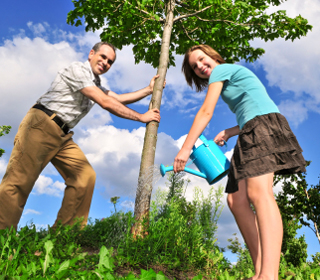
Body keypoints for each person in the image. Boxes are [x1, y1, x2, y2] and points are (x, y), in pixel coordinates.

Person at [173, 44, 306, 280]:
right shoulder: (227, 77)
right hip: (250, 129)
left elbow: (206, 111)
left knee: (259, 194)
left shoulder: (221, 70)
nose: (201, 67)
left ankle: (269, 275)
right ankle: (259, 272)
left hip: (261, 128)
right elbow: (253, 106)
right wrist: (230, 131)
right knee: (236, 200)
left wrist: (185, 149)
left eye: (202, 60)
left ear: (213, 57)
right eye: (195, 67)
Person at [0, 41, 164, 231]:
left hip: (63, 135)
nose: (105, 63)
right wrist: (141, 117)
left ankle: (63, 239)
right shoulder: (77, 70)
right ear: (91, 54)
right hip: (41, 124)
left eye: (110, 61)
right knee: (19, 182)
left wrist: (148, 89)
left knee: (84, 177)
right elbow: (105, 102)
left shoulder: (96, 84)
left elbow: (116, 98)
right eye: (103, 57)